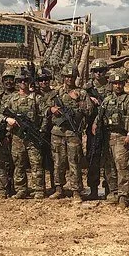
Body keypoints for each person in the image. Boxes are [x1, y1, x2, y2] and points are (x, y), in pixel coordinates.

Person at [47, 66, 91, 203]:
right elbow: (45, 106)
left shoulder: (81, 93)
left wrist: (78, 101)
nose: (69, 79)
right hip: (57, 132)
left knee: (74, 161)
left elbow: (89, 111)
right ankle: (59, 188)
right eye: (66, 76)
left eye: (71, 76)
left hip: (73, 132)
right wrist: (51, 108)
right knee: (58, 162)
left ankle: (76, 190)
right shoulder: (56, 92)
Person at [0, 69, 45, 199]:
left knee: (36, 163)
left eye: (26, 80)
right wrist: (7, 119)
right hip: (17, 137)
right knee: (18, 163)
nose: (23, 83)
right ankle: (21, 189)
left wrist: (41, 130)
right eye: (20, 81)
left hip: (32, 136)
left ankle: (39, 189)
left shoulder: (36, 98)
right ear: (17, 82)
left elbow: (45, 115)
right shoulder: (12, 99)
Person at [98, 69, 129, 208]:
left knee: (123, 167)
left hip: (122, 136)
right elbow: (100, 117)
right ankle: (114, 192)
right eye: (115, 83)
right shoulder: (107, 100)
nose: (117, 86)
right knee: (109, 167)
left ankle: (124, 196)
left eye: (120, 83)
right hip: (108, 136)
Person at [85, 59, 117, 201]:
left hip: (108, 127)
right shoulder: (87, 88)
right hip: (92, 128)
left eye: (101, 71)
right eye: (96, 71)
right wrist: (88, 99)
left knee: (109, 159)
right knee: (93, 158)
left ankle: (110, 189)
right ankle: (93, 189)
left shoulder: (112, 87)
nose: (98, 73)